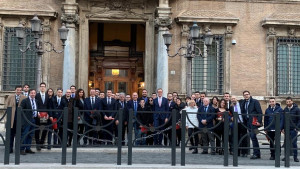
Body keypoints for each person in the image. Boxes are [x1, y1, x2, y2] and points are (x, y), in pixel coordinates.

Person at [241, 90, 262, 159]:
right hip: (247, 122)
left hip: (254, 122)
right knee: (252, 137)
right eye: (244, 95)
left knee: (253, 137)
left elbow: (259, 112)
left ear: (249, 95)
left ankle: (256, 153)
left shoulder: (255, 101)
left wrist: (259, 121)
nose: (246, 95)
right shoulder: (243, 102)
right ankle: (257, 153)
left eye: (247, 94)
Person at [6, 85, 26, 153]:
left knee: (19, 135)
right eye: (18, 90)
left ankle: (18, 148)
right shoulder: (10, 97)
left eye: (20, 90)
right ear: (15, 90)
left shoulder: (24, 97)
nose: (19, 91)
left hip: (20, 119)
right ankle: (10, 148)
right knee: (10, 134)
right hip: (12, 119)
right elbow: (7, 106)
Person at [20, 89, 38, 155]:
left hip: (33, 120)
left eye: (34, 93)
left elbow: (36, 109)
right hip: (26, 120)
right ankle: (22, 149)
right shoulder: (25, 101)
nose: (33, 94)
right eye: (31, 93)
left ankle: (28, 148)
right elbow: (21, 110)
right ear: (29, 94)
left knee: (31, 134)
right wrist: (24, 118)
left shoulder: (36, 101)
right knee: (25, 134)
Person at [282, 97, 300, 162]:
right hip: (286, 129)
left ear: (292, 101)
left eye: (289, 101)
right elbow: (283, 120)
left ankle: (295, 157)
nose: (288, 103)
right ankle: (286, 156)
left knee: (294, 143)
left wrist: (297, 128)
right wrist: (282, 128)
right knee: (286, 143)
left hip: (293, 129)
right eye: (287, 102)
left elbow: (299, 119)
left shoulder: (297, 109)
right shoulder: (285, 109)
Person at [35, 82, 49, 151]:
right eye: (41, 86)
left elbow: (48, 105)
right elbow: (35, 104)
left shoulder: (47, 96)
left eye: (44, 86)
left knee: (45, 129)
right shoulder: (36, 95)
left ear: (45, 87)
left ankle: (42, 143)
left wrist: (48, 114)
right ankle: (37, 144)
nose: (42, 87)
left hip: (45, 115)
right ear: (40, 87)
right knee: (37, 129)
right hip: (39, 115)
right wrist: (37, 112)